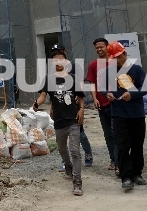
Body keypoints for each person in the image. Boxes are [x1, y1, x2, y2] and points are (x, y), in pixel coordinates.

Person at [34, 47, 85, 197]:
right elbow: (43, 96)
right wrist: (37, 104)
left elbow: (80, 96)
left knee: (75, 151)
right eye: (55, 59)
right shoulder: (49, 80)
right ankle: (68, 166)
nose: (58, 61)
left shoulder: (73, 78)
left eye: (61, 59)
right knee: (62, 149)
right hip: (59, 120)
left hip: (73, 119)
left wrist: (81, 109)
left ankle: (77, 182)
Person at [104, 41, 147, 191]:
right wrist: (107, 94)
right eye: (114, 59)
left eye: (118, 57)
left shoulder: (137, 70)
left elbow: (145, 88)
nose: (117, 61)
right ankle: (126, 176)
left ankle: (137, 173)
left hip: (136, 114)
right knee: (122, 145)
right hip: (119, 114)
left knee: (137, 145)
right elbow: (104, 89)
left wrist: (132, 94)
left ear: (125, 54)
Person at [49, 44, 94, 167]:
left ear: (65, 52)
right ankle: (67, 161)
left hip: (73, 104)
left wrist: (80, 105)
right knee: (62, 135)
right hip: (60, 106)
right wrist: (52, 106)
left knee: (80, 132)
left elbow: (79, 83)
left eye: (59, 52)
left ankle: (88, 153)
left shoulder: (74, 67)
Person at [85, 37, 117, 173]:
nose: (99, 49)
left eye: (101, 47)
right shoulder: (93, 65)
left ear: (107, 47)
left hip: (116, 103)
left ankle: (120, 160)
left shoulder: (115, 62)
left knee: (117, 132)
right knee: (108, 133)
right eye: (96, 48)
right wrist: (94, 99)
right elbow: (92, 83)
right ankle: (113, 159)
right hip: (101, 104)